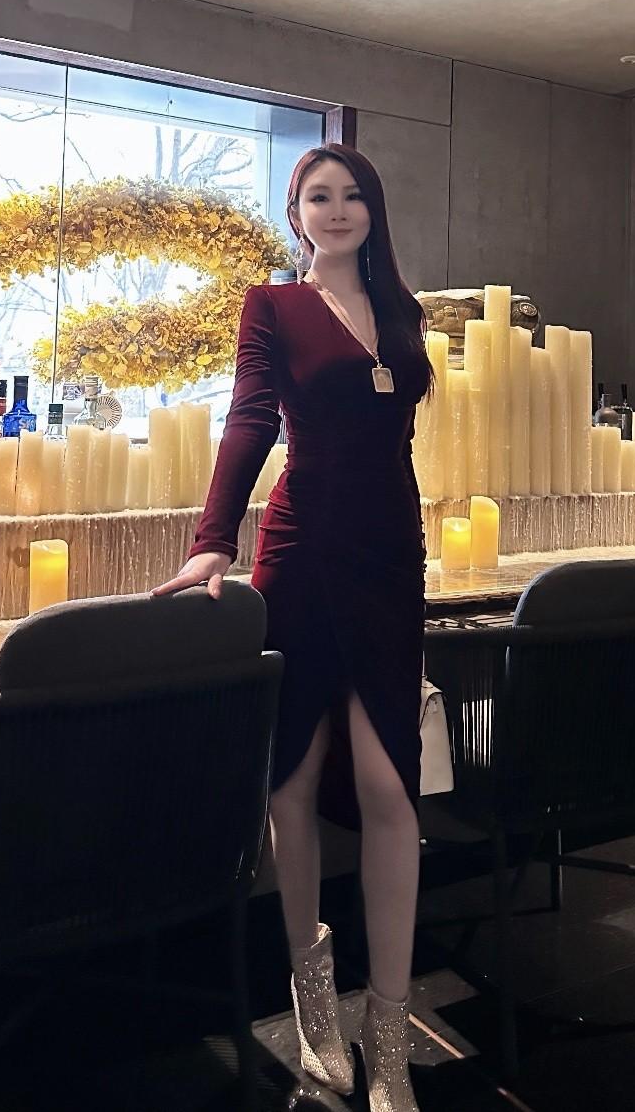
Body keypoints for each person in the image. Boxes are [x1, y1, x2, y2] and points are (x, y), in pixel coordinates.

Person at [154, 143, 433, 1112]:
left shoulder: (404, 311)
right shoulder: (272, 304)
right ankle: (316, 1009)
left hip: (391, 554)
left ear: (374, 207)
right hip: (303, 547)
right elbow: (249, 419)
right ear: (296, 212)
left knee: (391, 783)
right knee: (295, 780)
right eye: (320, 195)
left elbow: (397, 432)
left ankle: (389, 1039)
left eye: (355, 193)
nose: (339, 208)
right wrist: (212, 542)